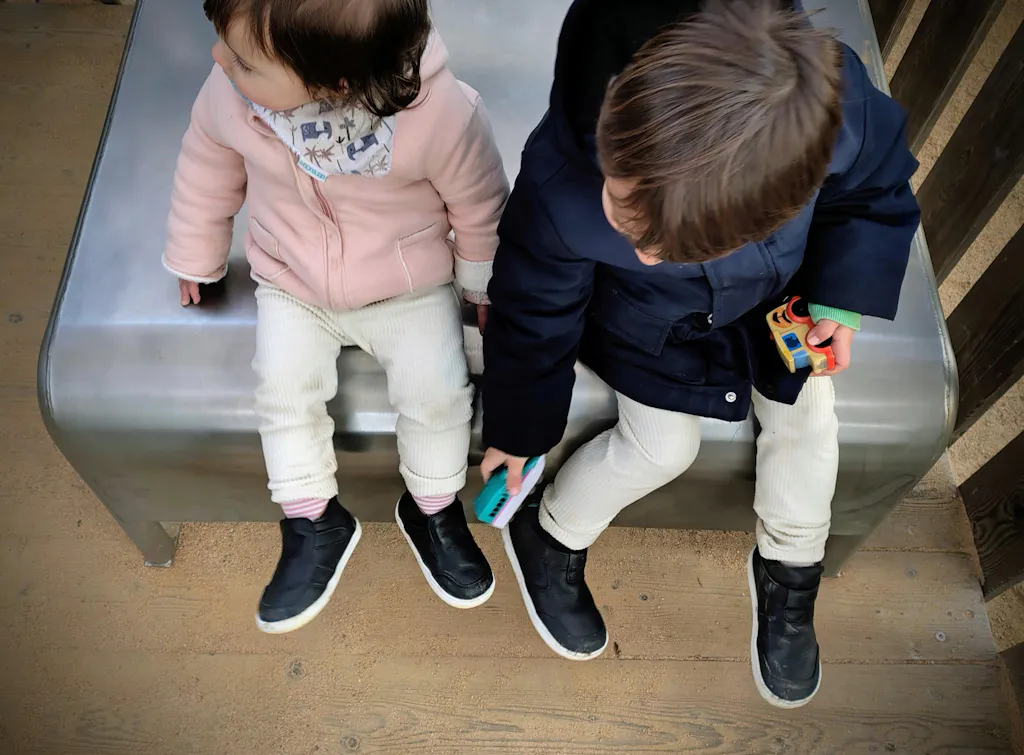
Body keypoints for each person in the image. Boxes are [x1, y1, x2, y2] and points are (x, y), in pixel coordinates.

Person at [480, 0, 920, 708]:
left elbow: (872, 191)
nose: (646, 253)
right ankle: (553, 532)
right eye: (625, 218)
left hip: (779, 302)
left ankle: (792, 565)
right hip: (647, 324)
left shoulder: (832, 112)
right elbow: (535, 306)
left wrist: (840, 299)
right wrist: (520, 428)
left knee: (810, 421)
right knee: (662, 448)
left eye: (669, 245)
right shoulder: (566, 186)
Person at [163, 0, 509, 634]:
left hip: (405, 282)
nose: (218, 60)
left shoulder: (439, 114)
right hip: (291, 278)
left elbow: (480, 201)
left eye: (242, 60)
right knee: (282, 391)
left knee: (438, 392)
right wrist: (196, 252)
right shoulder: (232, 92)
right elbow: (206, 165)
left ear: (335, 82)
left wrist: (481, 284)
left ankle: (432, 505)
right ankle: (312, 520)